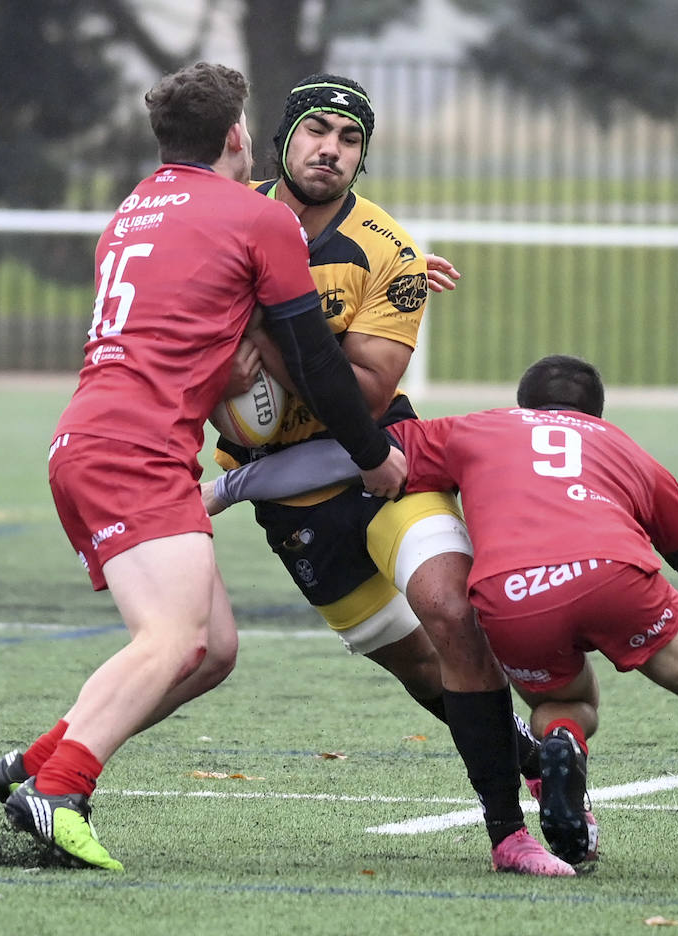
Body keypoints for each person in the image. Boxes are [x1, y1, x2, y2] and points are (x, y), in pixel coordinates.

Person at [208, 355, 678, 884]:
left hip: (508, 596)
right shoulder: (624, 447)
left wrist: (231, 486)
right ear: (596, 414)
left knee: (567, 700)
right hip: (614, 576)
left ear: (524, 402)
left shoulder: (481, 428)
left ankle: (558, 743)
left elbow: (345, 460)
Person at [0, 62, 405, 871]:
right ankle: (62, 789)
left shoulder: (134, 209)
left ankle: (35, 763)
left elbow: (176, 319)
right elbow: (316, 361)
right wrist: (372, 453)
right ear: (240, 136)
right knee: (171, 636)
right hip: (134, 449)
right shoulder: (254, 218)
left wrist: (221, 369)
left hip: (94, 437)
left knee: (212, 649)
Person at [207, 73, 567, 876]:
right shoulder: (226, 221)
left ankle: (509, 833)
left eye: (348, 138)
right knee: (420, 668)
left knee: (451, 612)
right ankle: (533, 761)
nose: (329, 149)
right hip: (287, 495)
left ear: (363, 156)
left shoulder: (390, 252)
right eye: (315, 131)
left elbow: (364, 393)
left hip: (383, 465)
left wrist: (268, 334)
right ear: (283, 137)